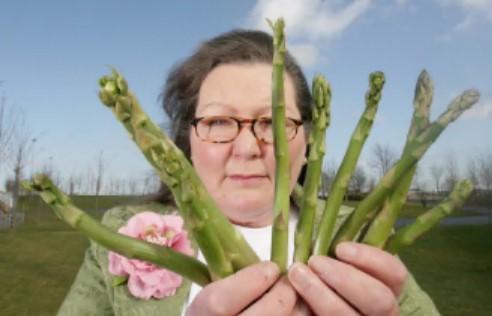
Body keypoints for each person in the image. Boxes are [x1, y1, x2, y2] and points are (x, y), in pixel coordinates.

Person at [58, 29, 440, 316]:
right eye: (220, 121)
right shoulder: (120, 232)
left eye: (273, 122)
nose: (247, 148)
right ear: (186, 142)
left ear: (308, 141)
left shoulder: (361, 237)